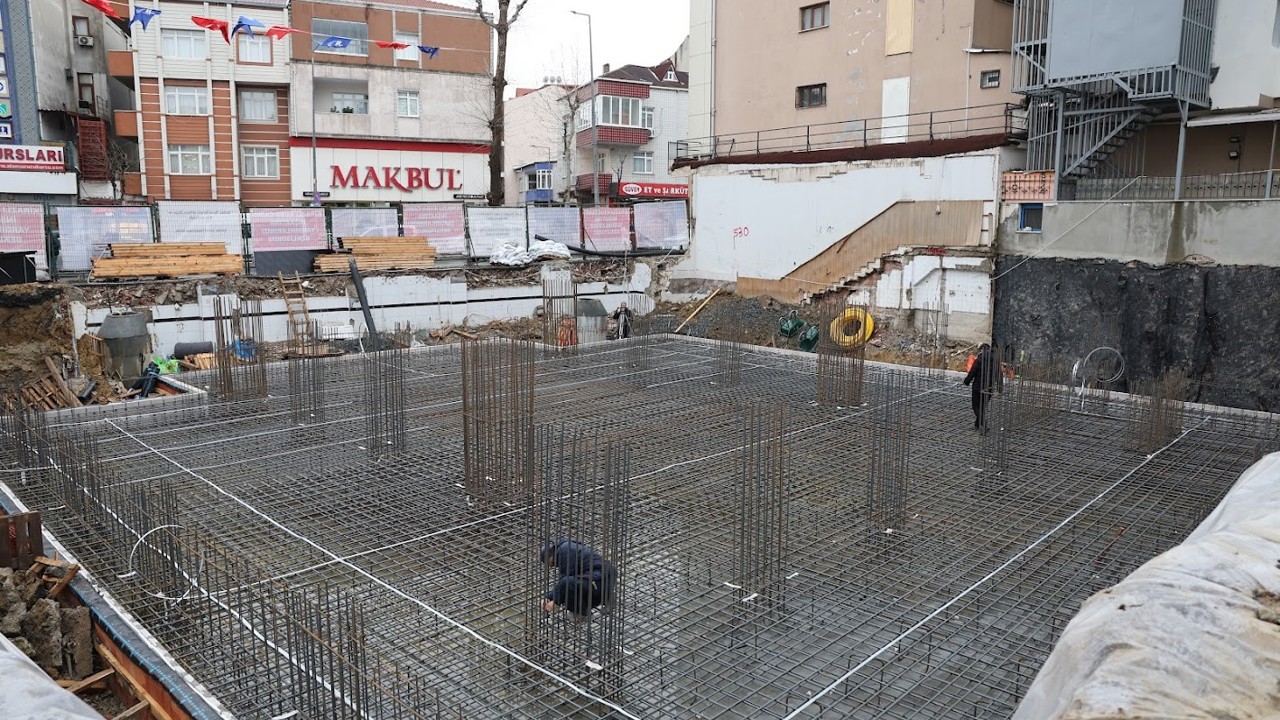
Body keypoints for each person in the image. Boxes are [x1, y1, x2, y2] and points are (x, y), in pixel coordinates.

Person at [539, 539, 616, 617]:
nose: (552, 566)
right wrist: (548, 597)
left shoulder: (566, 552)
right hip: (600, 577)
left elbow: (565, 582)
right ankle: (599, 601)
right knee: (568, 585)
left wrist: (555, 601)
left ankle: (583, 613)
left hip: (601, 580)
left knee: (568, 586)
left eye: (549, 563)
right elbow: (563, 582)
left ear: (550, 556)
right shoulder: (564, 549)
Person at [963, 343, 1003, 433]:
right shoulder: (996, 360)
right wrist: (1000, 388)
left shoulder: (980, 358)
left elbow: (972, 371)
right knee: (982, 407)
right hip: (989, 388)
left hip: (978, 387)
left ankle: (983, 424)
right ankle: (977, 424)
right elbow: (999, 375)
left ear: (982, 350)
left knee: (975, 406)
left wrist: (967, 381)